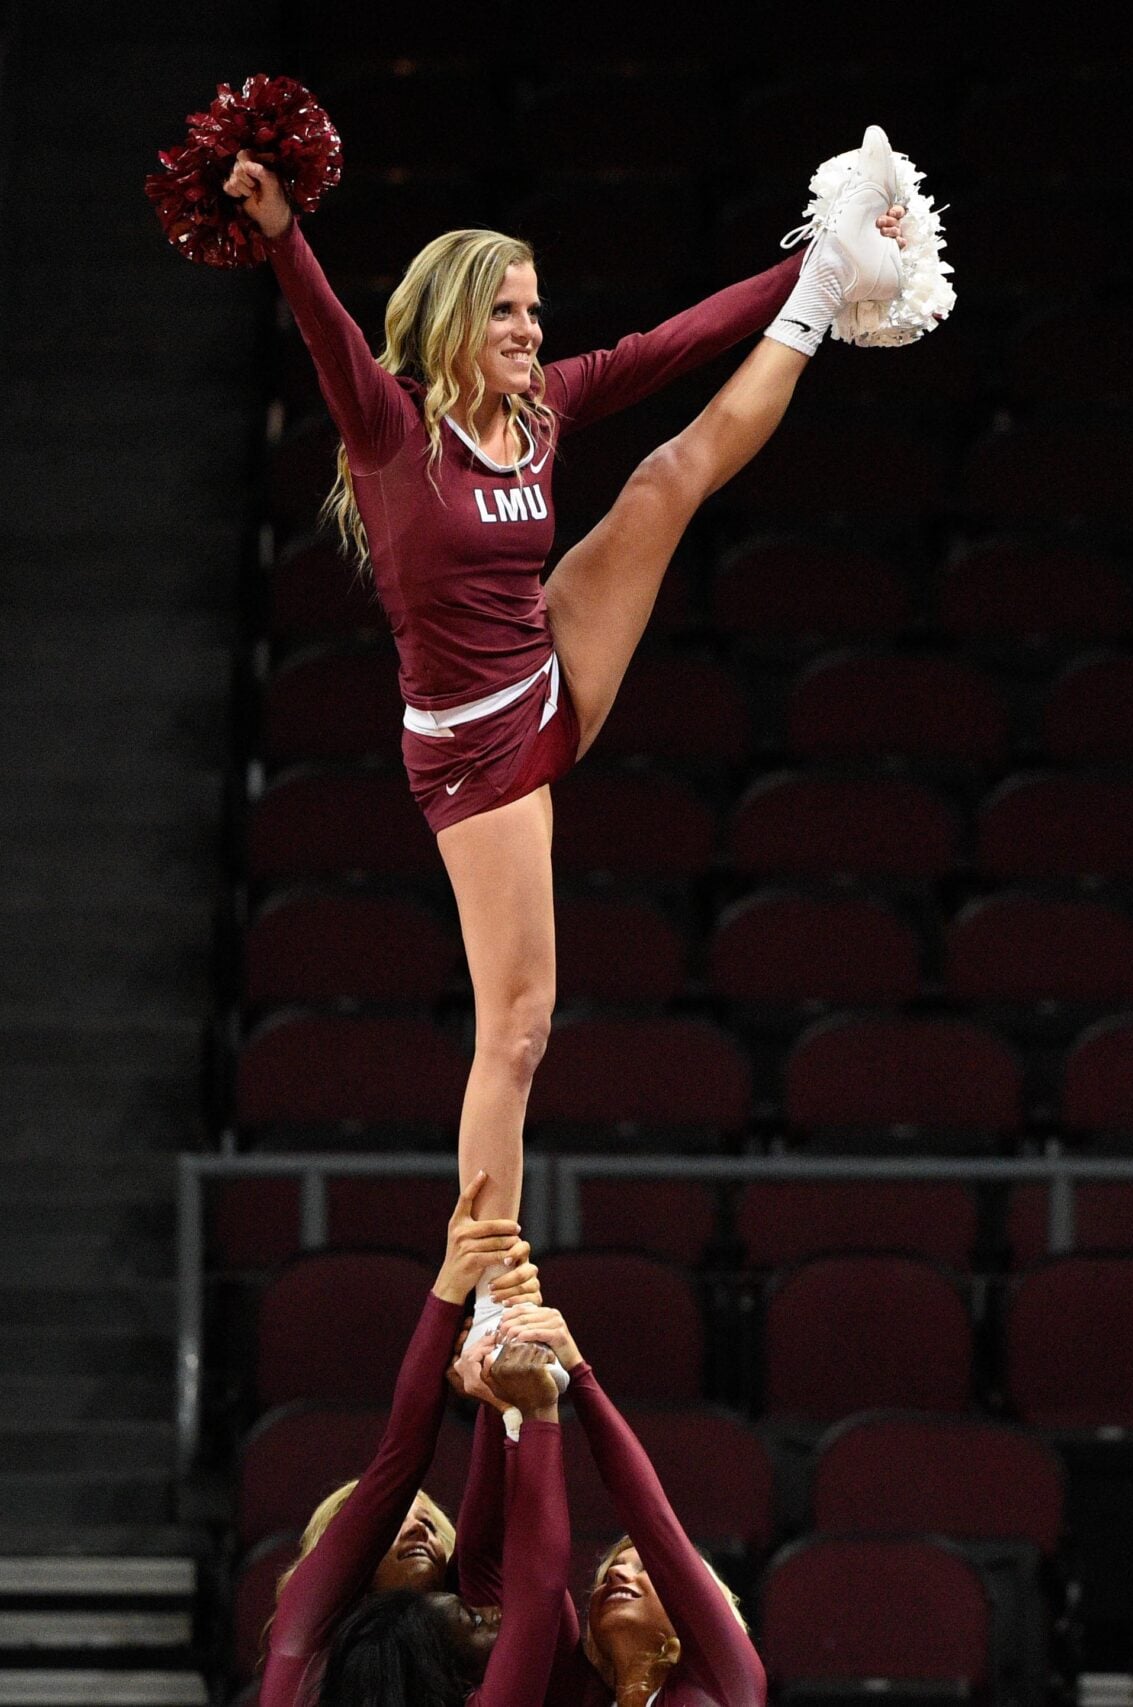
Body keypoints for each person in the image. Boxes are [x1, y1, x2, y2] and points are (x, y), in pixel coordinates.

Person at [220, 127, 931, 1332]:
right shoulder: (393, 432)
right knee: (520, 1026)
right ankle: (486, 1282)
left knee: (665, 477)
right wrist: (284, 234)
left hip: (550, 672)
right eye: (505, 311)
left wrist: (809, 264)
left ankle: (826, 285)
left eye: (535, 310)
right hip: (475, 749)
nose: (529, 330)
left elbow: (670, 347)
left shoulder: (541, 412)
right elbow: (329, 336)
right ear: (453, 319)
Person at [258, 1173, 534, 1707]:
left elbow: (487, 1531)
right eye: (393, 1518)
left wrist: (499, 1389)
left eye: (426, 1513)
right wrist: (451, 1287)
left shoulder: (475, 1667)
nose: (419, 1521)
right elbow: (400, 1459)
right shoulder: (305, 1644)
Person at [468, 1304, 762, 1707]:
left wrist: (576, 1370)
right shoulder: (577, 1695)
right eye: (610, 1571)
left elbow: (651, 1518)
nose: (619, 1572)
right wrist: (509, 1409)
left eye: (646, 1570)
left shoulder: (727, 1679)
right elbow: (516, 1570)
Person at [311, 1336, 572, 1707]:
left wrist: (498, 1395)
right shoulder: (304, 1658)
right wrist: (533, 1412)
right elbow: (537, 1589)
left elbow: (484, 1545)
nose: (421, 1529)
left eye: (431, 1522)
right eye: (395, 1523)